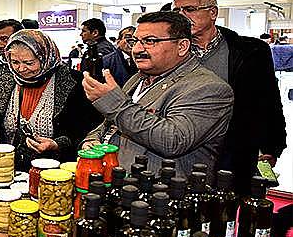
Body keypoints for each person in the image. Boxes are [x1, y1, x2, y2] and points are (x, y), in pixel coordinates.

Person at [81, 11, 234, 177]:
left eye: (150, 41)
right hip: (117, 186)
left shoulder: (209, 88)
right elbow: (111, 123)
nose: (137, 49)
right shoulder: (137, 78)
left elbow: (172, 140)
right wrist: (92, 140)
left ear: (182, 46)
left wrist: (115, 104)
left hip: (163, 196)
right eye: (135, 41)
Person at [173, 0, 286, 194]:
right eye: (176, 11)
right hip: (184, 151)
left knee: (227, 212)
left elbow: (269, 100)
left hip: (236, 149)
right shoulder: (171, 53)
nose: (181, 16)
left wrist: (272, 145)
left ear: (213, 12)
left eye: (189, 9)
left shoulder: (251, 51)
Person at [0, 29, 101, 171]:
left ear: (46, 57)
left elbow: (88, 131)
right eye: (15, 62)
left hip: (55, 173)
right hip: (8, 168)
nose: (21, 69)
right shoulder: (4, 80)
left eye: (29, 62)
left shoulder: (73, 83)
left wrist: (57, 144)